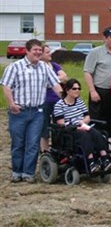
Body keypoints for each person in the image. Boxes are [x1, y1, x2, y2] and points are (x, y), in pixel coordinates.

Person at [1, 39, 62, 183]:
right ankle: (17, 171)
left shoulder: (45, 68)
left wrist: (68, 99)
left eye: (40, 50)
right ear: (27, 51)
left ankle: (28, 173)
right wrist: (11, 104)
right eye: (35, 50)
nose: (38, 53)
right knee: (18, 142)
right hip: (19, 112)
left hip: (37, 112)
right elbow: (6, 86)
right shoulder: (15, 67)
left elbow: (56, 85)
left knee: (33, 143)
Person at [53, 79, 111, 174]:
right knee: (84, 135)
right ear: (67, 90)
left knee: (96, 133)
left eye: (79, 88)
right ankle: (91, 162)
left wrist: (82, 122)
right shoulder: (59, 105)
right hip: (70, 129)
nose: (77, 90)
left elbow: (87, 117)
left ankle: (105, 159)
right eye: (74, 89)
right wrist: (75, 126)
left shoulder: (79, 102)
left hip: (83, 125)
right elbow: (61, 122)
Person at [83, 26, 111, 144]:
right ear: (105, 38)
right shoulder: (95, 53)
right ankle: (98, 149)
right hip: (100, 92)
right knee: (98, 123)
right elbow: (87, 72)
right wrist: (92, 91)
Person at [40, 44, 68, 151]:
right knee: (45, 127)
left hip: (58, 100)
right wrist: (57, 79)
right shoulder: (39, 67)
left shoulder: (55, 65)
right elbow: (43, 82)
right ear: (41, 55)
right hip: (45, 101)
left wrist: (52, 79)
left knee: (59, 126)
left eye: (50, 51)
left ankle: (57, 149)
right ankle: (45, 150)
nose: (50, 53)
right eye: (47, 52)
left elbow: (65, 77)